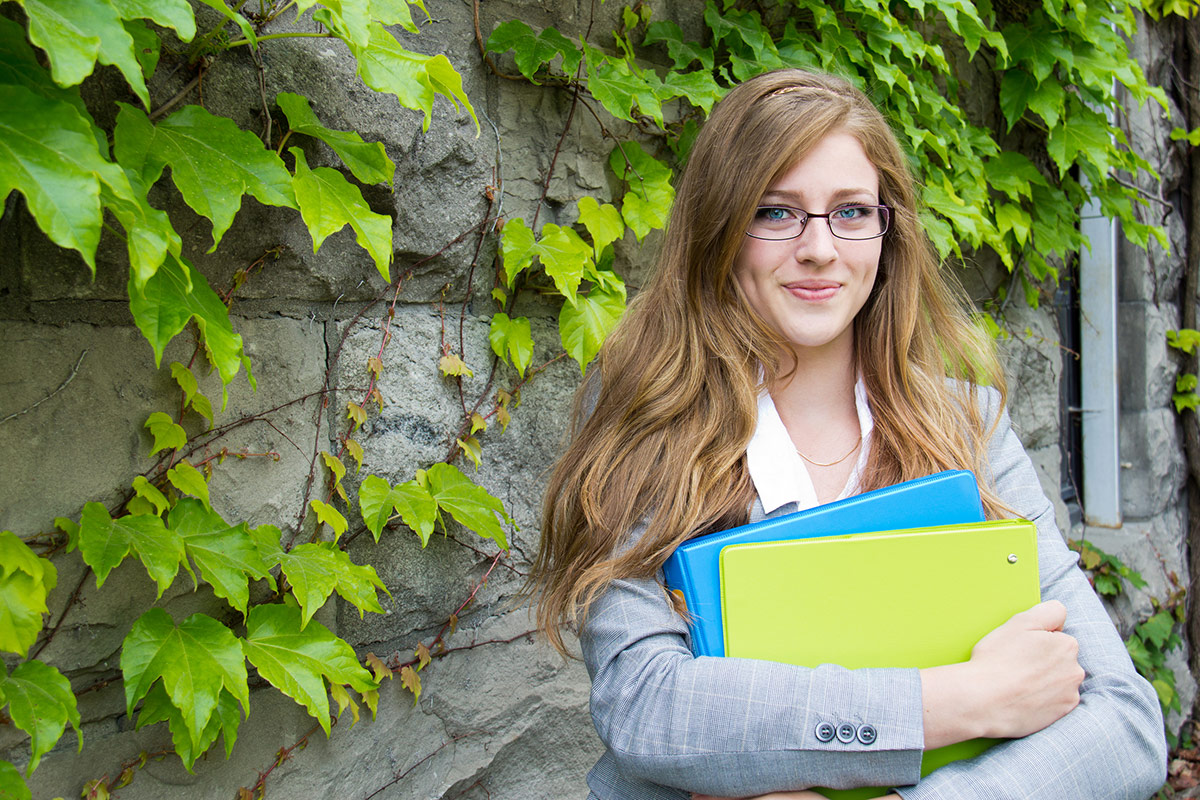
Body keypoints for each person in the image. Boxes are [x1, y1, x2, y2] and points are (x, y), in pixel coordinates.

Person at [529, 69, 1167, 800]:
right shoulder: (647, 421)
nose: (819, 249)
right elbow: (648, 707)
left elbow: (1124, 723)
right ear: (719, 229)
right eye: (775, 212)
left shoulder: (966, 425)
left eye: (851, 212)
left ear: (887, 233)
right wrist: (951, 703)